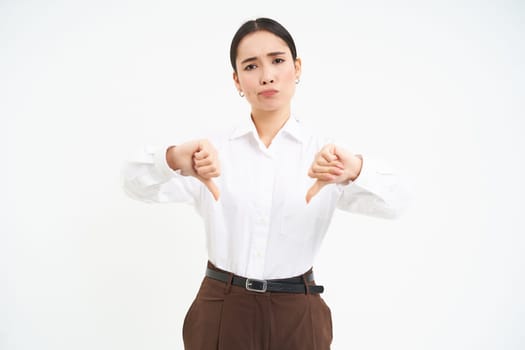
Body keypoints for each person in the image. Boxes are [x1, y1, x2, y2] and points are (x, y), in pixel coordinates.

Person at [122, 17, 408, 350]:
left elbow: (399, 202)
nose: (267, 75)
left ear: (297, 67)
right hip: (222, 307)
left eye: (277, 60)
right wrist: (173, 159)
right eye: (251, 65)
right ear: (237, 80)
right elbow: (132, 184)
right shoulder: (210, 152)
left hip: (298, 311)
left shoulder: (327, 156)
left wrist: (356, 169)